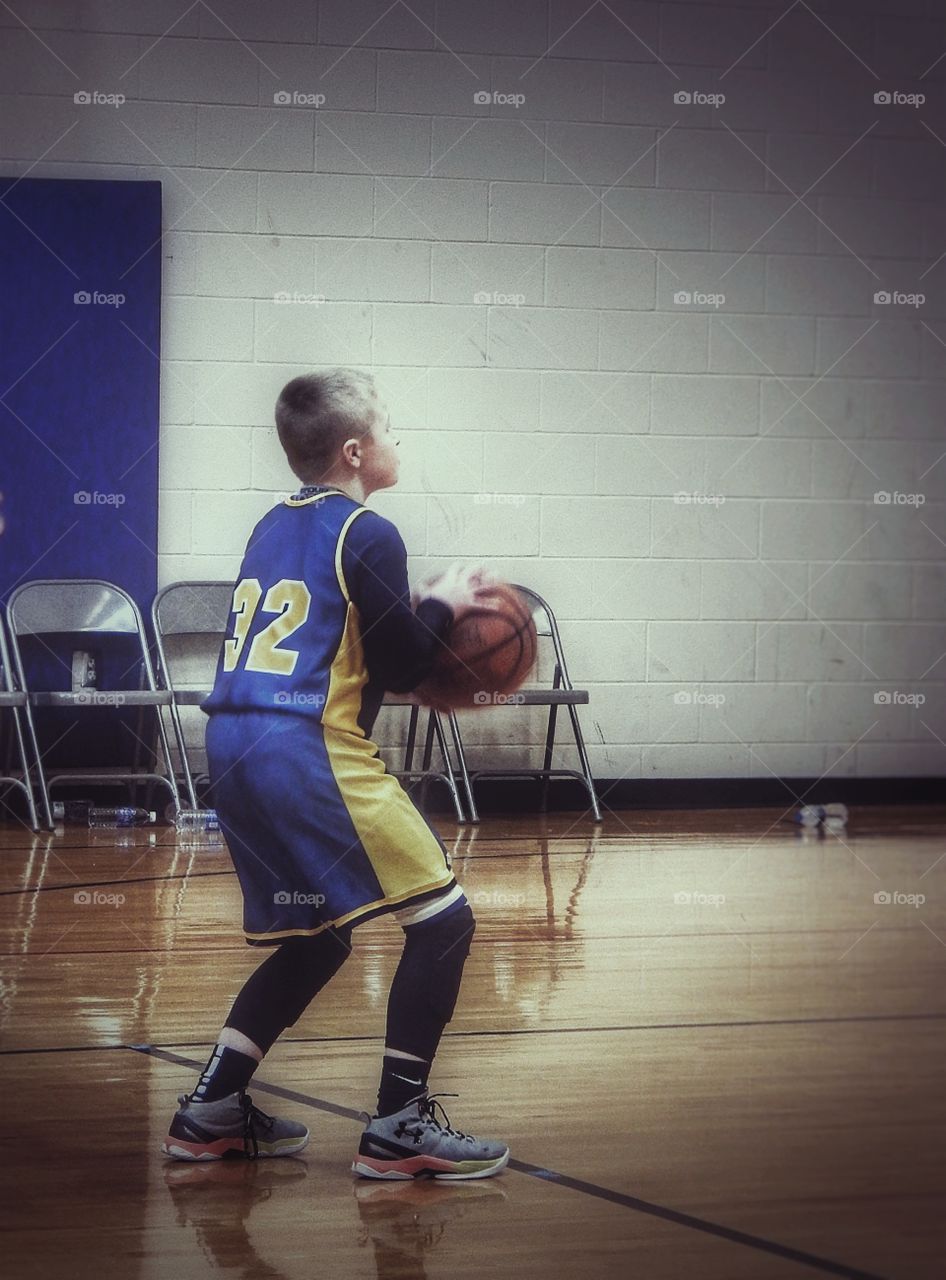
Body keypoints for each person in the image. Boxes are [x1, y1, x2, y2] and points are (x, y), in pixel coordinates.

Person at [162, 369, 509, 1180]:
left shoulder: (267, 528)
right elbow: (402, 659)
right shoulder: (369, 532)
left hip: (233, 748)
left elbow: (362, 659)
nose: (398, 440)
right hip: (304, 748)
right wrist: (446, 605)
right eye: (389, 427)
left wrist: (414, 650)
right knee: (445, 921)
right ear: (355, 451)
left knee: (315, 942)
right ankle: (398, 1127)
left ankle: (209, 1109)